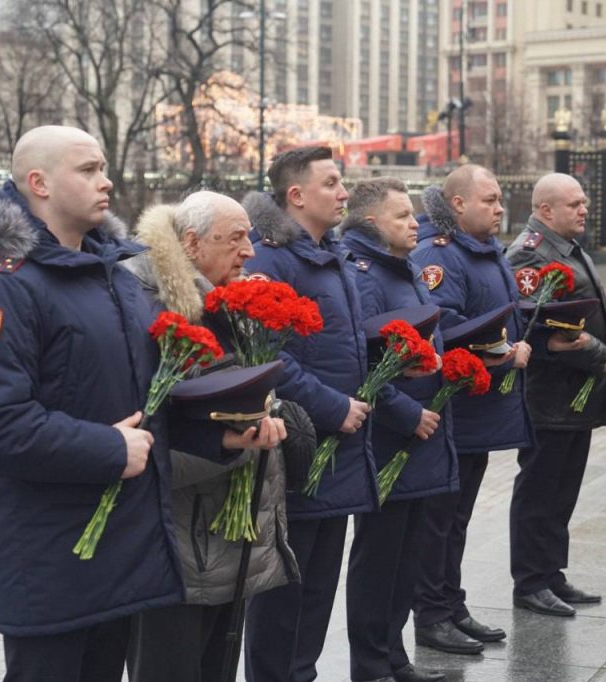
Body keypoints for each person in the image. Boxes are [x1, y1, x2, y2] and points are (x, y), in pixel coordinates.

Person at [0, 126, 282, 682]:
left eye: (103, 168)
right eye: (88, 170)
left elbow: (152, 400)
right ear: (39, 183)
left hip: (124, 555)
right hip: (50, 559)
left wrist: (218, 434)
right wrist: (106, 447)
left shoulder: (115, 282)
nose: (106, 182)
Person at [122, 191, 297, 682]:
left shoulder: (222, 299)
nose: (250, 251)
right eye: (236, 238)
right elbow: (154, 424)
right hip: (182, 540)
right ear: (193, 243)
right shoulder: (149, 302)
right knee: (171, 666)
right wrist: (230, 446)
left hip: (224, 538)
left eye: (250, 236)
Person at [241, 146, 378, 682]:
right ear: (295, 195)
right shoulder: (271, 258)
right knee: (283, 588)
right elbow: (269, 357)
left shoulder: (330, 253)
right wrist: (333, 406)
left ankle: (303, 673)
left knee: (318, 585)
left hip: (338, 448)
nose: (344, 194)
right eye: (332, 183)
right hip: (299, 446)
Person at [506, 172, 606, 618]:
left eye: (584, 202)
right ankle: (530, 582)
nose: (584, 209)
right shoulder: (528, 256)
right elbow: (537, 326)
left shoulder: (568, 249)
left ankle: (550, 573)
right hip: (548, 398)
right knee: (539, 490)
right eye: (574, 203)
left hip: (575, 398)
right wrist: (598, 352)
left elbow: (582, 315)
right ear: (546, 210)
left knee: (562, 489)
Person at [409, 164, 533, 654]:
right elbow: (447, 326)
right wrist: (504, 354)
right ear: (458, 204)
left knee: (456, 520)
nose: (500, 208)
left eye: (501, 199)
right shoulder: (441, 256)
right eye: (490, 199)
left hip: (480, 410)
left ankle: (451, 604)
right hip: (454, 409)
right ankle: (431, 614)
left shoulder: (485, 251)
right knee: (439, 520)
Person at [340, 178, 457, 682]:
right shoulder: (364, 275)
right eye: (402, 216)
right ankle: (370, 663)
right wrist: (406, 414)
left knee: (408, 553)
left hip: (421, 433)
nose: (416, 224)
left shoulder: (402, 266)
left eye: (413, 215)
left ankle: (394, 656)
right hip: (389, 437)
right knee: (379, 556)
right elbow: (362, 361)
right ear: (371, 224)